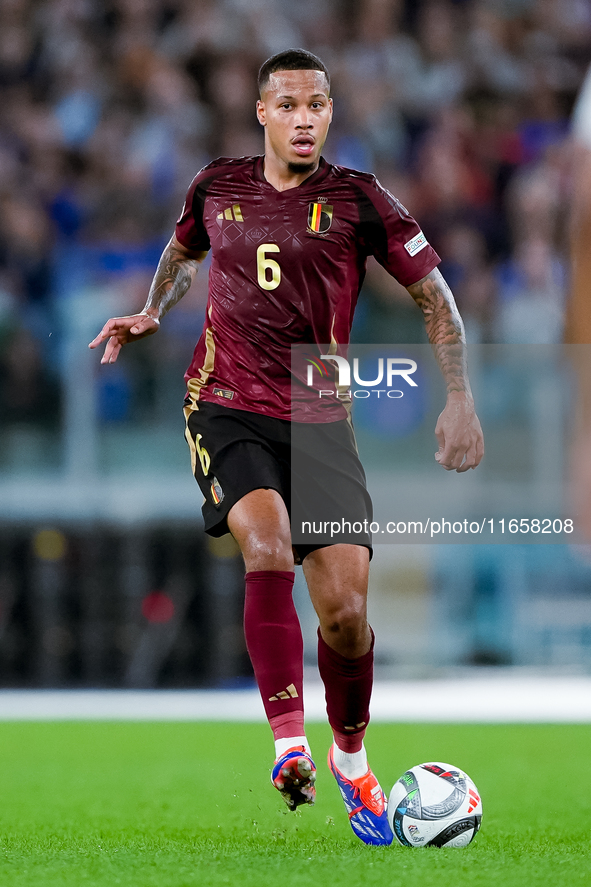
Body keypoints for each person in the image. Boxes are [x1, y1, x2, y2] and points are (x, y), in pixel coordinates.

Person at [89, 48, 484, 846]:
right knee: (264, 544)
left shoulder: (358, 199)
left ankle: (348, 757)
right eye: (290, 105)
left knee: (344, 615)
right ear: (263, 114)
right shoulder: (217, 186)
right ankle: (288, 745)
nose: (305, 118)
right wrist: (153, 308)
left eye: (318, 105)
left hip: (317, 407)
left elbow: (433, 297)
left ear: (329, 114)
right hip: (225, 403)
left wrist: (459, 396)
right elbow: (180, 252)